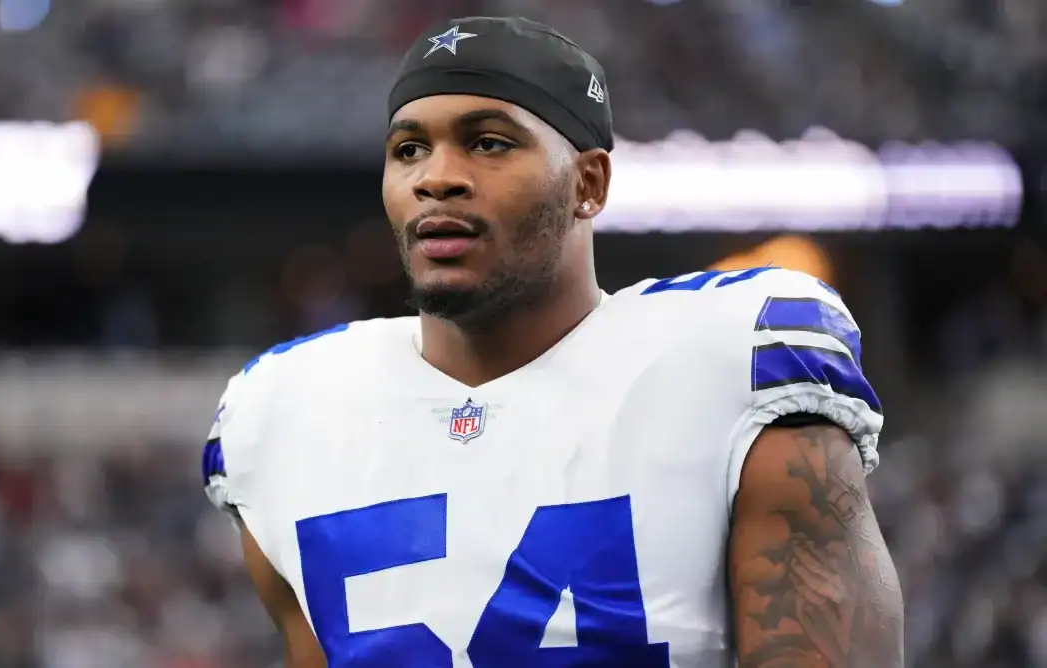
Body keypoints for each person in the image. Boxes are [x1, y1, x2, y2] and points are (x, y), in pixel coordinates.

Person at [202, 16, 903, 668]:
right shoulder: (284, 412)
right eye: (408, 148)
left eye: (489, 142)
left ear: (588, 184)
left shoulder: (731, 360)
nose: (435, 177)